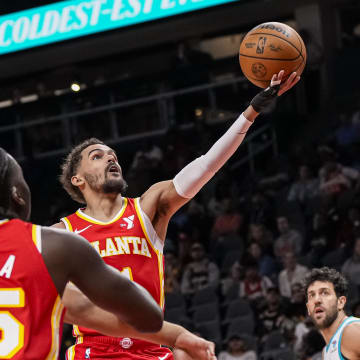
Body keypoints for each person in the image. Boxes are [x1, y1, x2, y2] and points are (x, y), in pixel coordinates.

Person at [53, 70, 300, 358]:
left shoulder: (148, 207)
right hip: (94, 351)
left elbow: (207, 165)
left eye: (113, 155)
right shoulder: (62, 234)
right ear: (77, 179)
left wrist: (252, 111)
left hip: (151, 348)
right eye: (97, 156)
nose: (110, 157)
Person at [0, 148, 164, 359]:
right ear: (17, 196)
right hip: (102, 342)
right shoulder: (50, 243)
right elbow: (149, 317)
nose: (110, 158)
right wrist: (176, 335)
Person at [303, 267, 360, 359]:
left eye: (325, 293)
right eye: (312, 295)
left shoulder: (353, 330)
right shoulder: (326, 352)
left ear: (340, 302)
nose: (317, 300)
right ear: (308, 309)